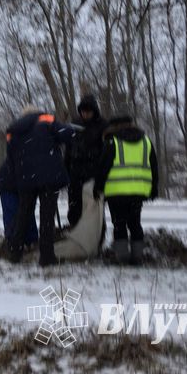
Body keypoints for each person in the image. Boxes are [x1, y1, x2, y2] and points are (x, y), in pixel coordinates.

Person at [5, 104, 77, 266]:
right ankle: (46, 256)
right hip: (49, 177)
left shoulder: (13, 130)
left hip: (26, 179)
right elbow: (68, 135)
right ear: (37, 112)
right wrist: (69, 128)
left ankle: (15, 252)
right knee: (47, 217)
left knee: (23, 214)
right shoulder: (45, 120)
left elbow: (10, 158)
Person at [94, 115, 158, 265]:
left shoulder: (112, 142)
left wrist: (98, 187)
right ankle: (137, 258)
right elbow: (154, 167)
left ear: (115, 126)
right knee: (135, 223)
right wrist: (153, 188)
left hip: (116, 192)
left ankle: (122, 258)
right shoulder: (146, 142)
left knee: (119, 224)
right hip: (138, 192)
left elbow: (103, 168)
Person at [65, 95, 107, 227]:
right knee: (74, 207)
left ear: (94, 111)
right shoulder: (74, 123)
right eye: (83, 111)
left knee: (94, 208)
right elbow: (68, 148)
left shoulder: (103, 125)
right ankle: (75, 232)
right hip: (75, 173)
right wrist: (66, 168)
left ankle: (96, 239)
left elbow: (105, 150)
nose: (85, 114)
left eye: (88, 111)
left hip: (93, 173)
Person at [0, 159, 38, 247]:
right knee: (15, 211)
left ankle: (20, 240)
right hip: (11, 181)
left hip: (15, 179)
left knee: (23, 211)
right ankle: (16, 241)